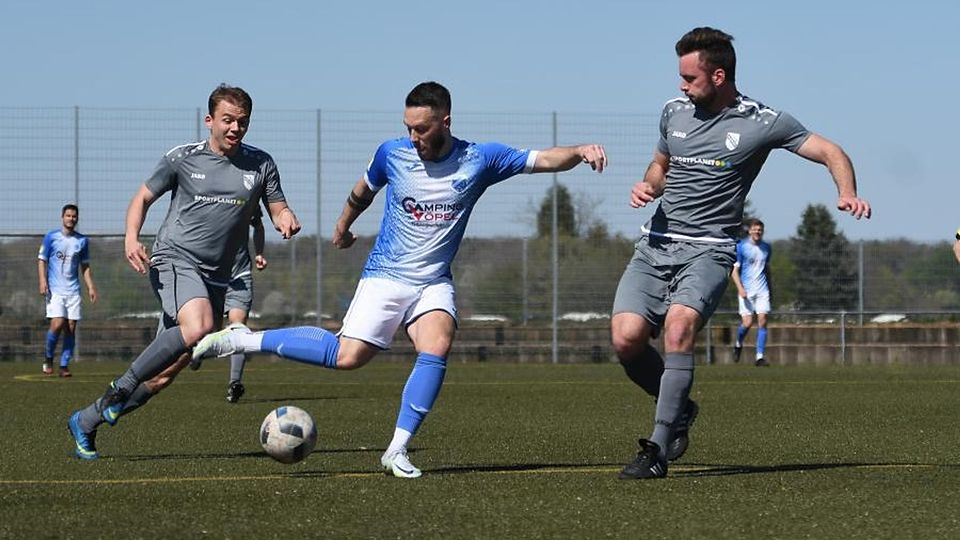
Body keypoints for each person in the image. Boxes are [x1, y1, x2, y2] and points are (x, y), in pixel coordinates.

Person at [192, 81, 607, 478]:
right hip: (386, 276)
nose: (413, 137)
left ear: (445, 122)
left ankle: (396, 449)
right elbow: (363, 190)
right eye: (408, 127)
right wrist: (342, 225)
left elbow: (544, 159)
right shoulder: (392, 153)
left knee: (437, 344)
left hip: (433, 281)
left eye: (421, 129)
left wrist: (579, 151)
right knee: (347, 357)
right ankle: (242, 340)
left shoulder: (480, 159)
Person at [610, 27, 871, 480]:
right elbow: (660, 165)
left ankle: (657, 447)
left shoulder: (762, 121)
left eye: (689, 78)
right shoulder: (673, 112)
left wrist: (846, 193)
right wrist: (649, 185)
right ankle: (680, 408)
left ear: (718, 75)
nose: (681, 86)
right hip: (655, 245)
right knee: (626, 339)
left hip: (709, 250)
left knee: (678, 329)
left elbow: (830, 150)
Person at [67, 84, 301, 460]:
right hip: (174, 259)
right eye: (227, 120)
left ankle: (87, 419)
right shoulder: (182, 158)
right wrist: (131, 237)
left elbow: (277, 207)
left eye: (242, 122)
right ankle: (118, 389)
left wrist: (285, 217)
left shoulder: (261, 164)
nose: (235, 128)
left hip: (217, 279)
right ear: (209, 120)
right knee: (200, 326)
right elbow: (143, 197)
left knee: (163, 375)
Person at [38, 203, 98, 377]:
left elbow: (84, 266)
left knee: (70, 327)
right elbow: (42, 260)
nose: (71, 219)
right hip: (55, 290)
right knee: (57, 324)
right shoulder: (51, 237)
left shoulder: (82, 241)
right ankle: (48, 358)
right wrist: (42, 280)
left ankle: (64, 365)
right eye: (68, 215)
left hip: (73, 291)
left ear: (77, 219)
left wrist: (90, 286)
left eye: (74, 216)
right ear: (62, 217)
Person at [220, 211, 268, 403]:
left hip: (239, 276)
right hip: (208, 275)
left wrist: (259, 253)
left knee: (237, 328)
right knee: (203, 328)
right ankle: (196, 352)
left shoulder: (247, 199)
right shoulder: (201, 198)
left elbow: (258, 226)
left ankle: (235, 383)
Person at [731, 219, 772, 366]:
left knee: (763, 320)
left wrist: (770, 289)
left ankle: (759, 357)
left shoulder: (767, 247)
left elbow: (766, 269)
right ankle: (738, 343)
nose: (757, 232)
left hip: (762, 290)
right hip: (746, 290)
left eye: (760, 230)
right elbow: (734, 270)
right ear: (749, 231)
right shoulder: (741, 246)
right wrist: (740, 288)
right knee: (747, 323)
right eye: (755, 229)